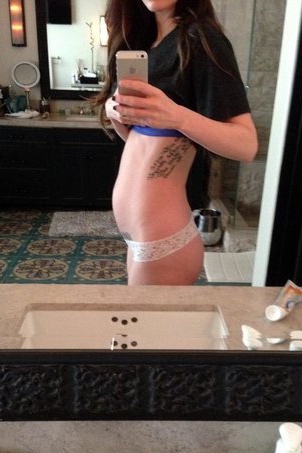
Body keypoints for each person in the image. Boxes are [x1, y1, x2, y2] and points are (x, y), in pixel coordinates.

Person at [94, 0, 258, 286]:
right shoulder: (147, 43)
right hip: (140, 234)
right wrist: (117, 114)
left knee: (141, 316)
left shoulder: (201, 38)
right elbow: (144, 147)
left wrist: (177, 116)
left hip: (162, 238)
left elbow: (247, 145)